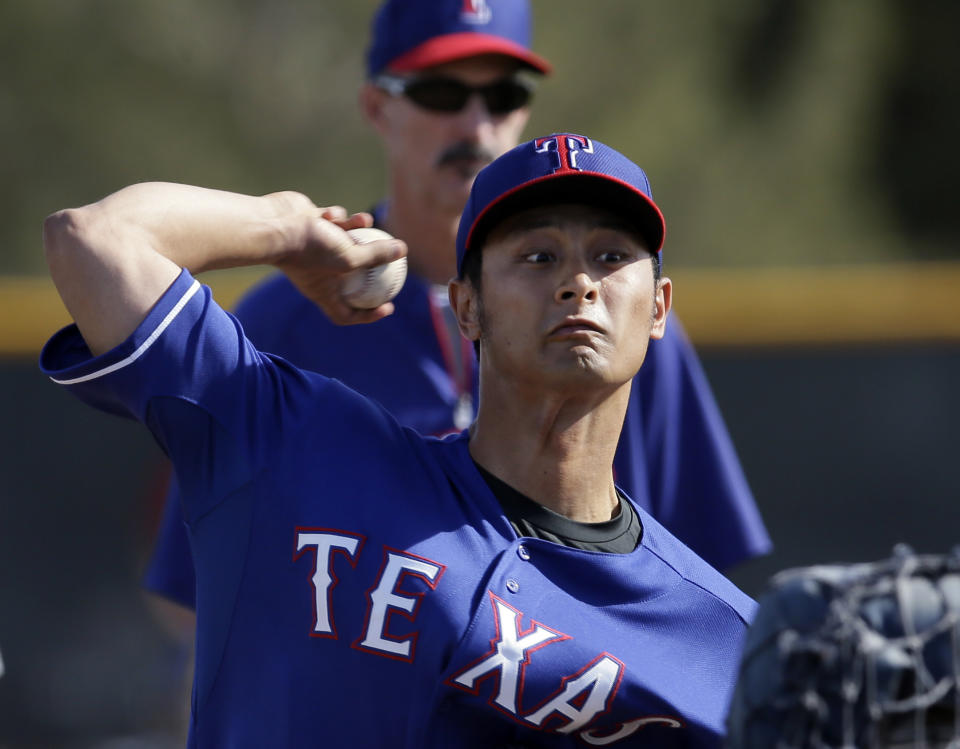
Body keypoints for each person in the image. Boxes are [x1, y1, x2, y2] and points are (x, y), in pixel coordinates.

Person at [41, 133, 755, 746]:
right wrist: (286, 225)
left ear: (659, 308)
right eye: (537, 256)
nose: (578, 282)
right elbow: (95, 239)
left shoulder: (717, 641)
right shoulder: (303, 449)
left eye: (610, 256)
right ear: (466, 305)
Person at [144, 0, 771, 613]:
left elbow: (696, 577)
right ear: (376, 106)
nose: (476, 125)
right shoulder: (280, 322)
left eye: (502, 96)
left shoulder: (613, 323)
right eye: (442, 93)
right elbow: (195, 594)